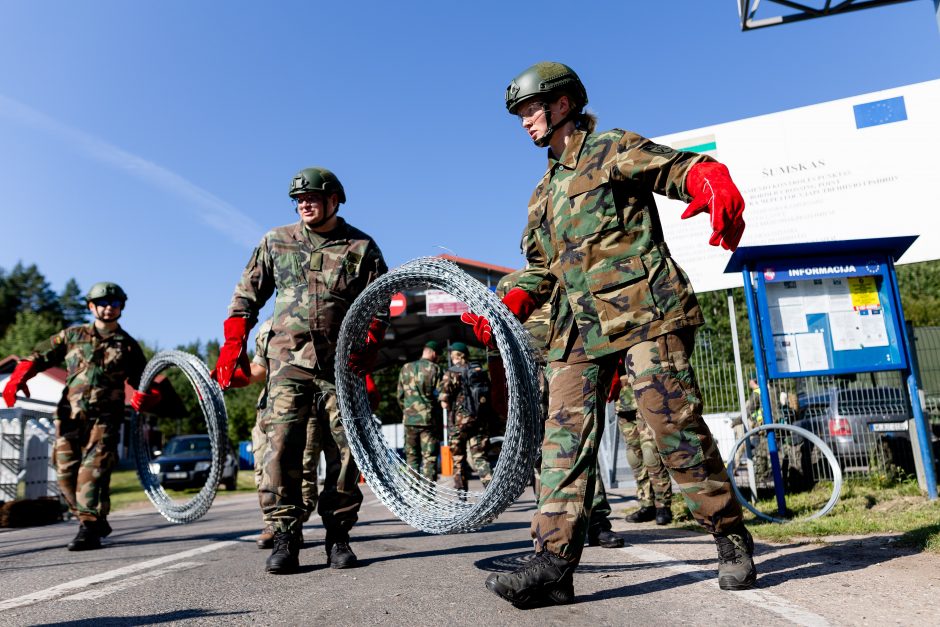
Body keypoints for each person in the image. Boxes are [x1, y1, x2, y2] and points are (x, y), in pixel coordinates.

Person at [463, 62, 753, 607]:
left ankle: (728, 534)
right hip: (576, 330)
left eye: (531, 108)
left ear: (564, 103)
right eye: (520, 114)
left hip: (645, 311)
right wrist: (509, 303)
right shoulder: (541, 194)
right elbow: (539, 268)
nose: (525, 121)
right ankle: (553, 564)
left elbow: (677, 169)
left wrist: (708, 179)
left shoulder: (611, 148)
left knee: (673, 426)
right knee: (562, 443)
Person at [212, 166, 388, 574]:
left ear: (334, 200)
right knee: (281, 449)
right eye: (299, 199)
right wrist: (233, 344)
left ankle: (338, 537)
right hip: (287, 363)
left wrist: (367, 351)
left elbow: (379, 303)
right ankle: (286, 536)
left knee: (344, 453)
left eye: (312, 197)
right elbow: (245, 296)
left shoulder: (361, 247)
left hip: (338, 367)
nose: (304, 204)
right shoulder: (276, 241)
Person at [3, 282, 156, 551]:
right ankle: (94, 519)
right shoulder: (72, 336)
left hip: (105, 419)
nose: (109, 308)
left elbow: (143, 379)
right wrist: (18, 378)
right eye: (103, 303)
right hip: (69, 415)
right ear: (91, 306)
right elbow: (40, 356)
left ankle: (88, 527)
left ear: (122, 308)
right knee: (64, 473)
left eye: (115, 303)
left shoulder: (128, 345)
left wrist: (146, 394)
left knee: (92, 471)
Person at [496, 270, 623, 549]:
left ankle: (597, 520)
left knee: (578, 441)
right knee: (541, 450)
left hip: (567, 362)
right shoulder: (509, 285)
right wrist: (500, 385)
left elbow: (592, 317)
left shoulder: (564, 274)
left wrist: (613, 367)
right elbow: (496, 338)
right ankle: (550, 519)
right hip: (526, 375)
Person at [615, 380, 673, 526]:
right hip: (622, 399)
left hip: (645, 393)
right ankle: (646, 505)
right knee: (634, 456)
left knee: (650, 453)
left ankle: (663, 505)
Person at [438, 342, 493, 491]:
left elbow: (444, 402)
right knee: (480, 457)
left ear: (456, 356)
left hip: (460, 422)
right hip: (480, 420)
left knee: (458, 458)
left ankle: (462, 494)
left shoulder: (451, 372)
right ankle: (492, 491)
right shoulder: (478, 370)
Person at [397, 340, 444, 481]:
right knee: (429, 458)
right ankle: (429, 495)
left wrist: (407, 411)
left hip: (409, 420)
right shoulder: (435, 369)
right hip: (428, 421)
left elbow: (400, 396)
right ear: (434, 354)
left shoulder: (405, 368)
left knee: (412, 458)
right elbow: (441, 396)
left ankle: (415, 493)